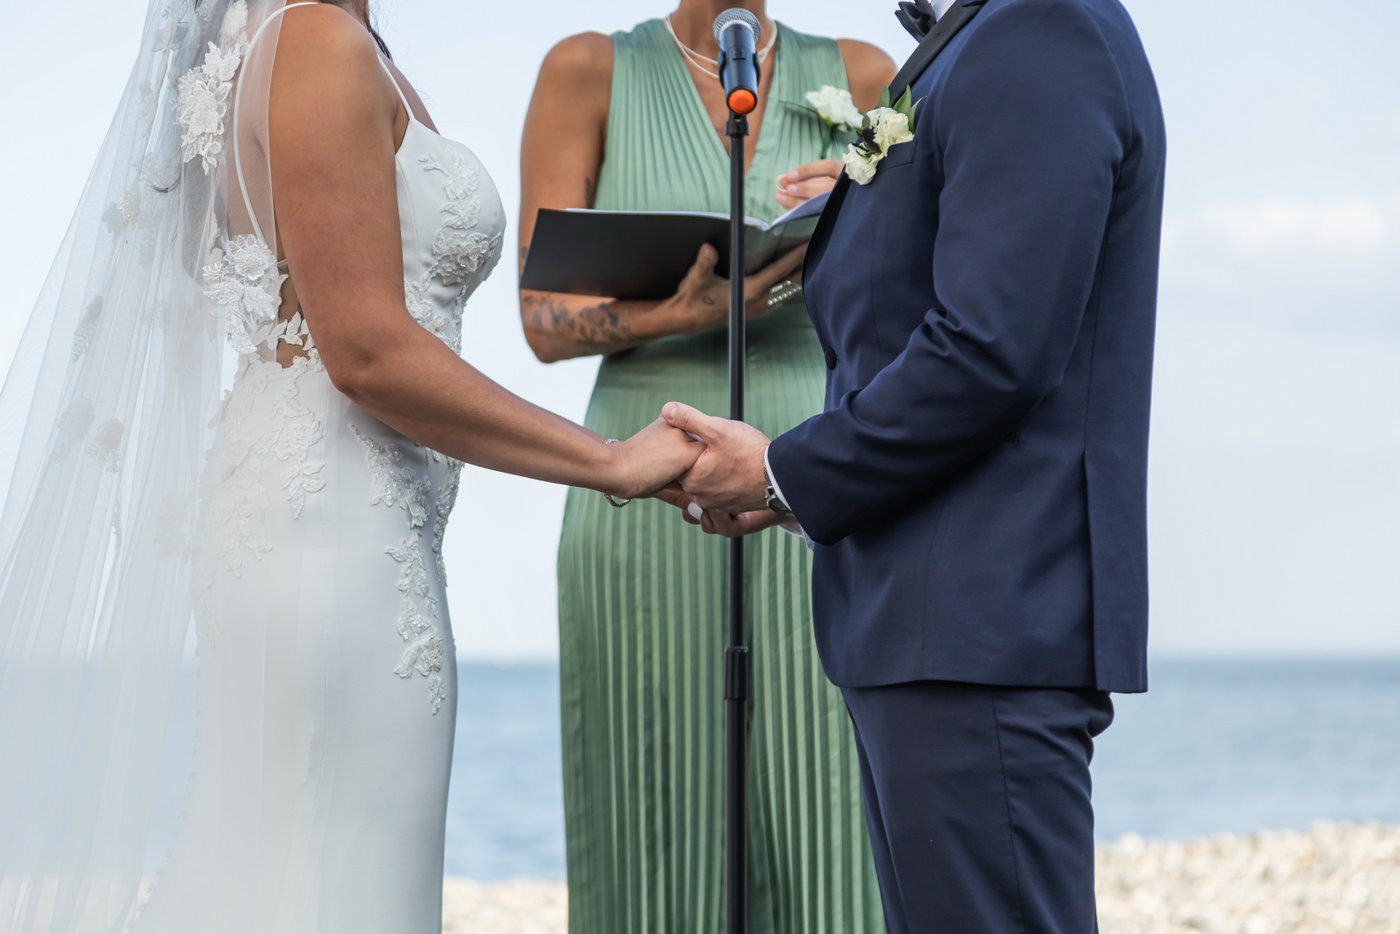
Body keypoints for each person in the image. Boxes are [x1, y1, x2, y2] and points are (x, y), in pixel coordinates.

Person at [0, 2, 697, 932]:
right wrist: (609, 461)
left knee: (289, 868)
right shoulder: (318, 40)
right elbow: (365, 351)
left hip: (320, 514)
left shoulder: (295, 41)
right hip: (340, 531)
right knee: (339, 881)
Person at [662, 0, 1167, 931]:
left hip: (979, 613)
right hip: (928, 617)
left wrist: (784, 473)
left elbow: (989, 349)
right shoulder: (983, 39)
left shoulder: (1040, 29)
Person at [518, 2, 894, 930]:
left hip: (819, 476)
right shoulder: (586, 70)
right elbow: (540, 321)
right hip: (651, 479)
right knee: (653, 806)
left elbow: (924, 293)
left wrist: (856, 212)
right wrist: (681, 315)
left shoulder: (867, 75)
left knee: (835, 811)